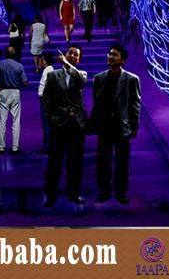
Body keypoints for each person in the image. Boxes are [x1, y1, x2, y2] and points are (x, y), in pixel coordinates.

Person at [88, 43, 141, 205]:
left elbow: (135, 105)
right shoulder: (99, 78)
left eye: (115, 54)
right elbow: (96, 104)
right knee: (102, 161)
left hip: (121, 126)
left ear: (122, 60)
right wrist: (93, 124)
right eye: (110, 54)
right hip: (105, 126)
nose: (110, 57)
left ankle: (121, 192)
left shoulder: (131, 79)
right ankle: (104, 191)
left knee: (122, 162)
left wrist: (133, 127)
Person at [42, 45, 87, 206]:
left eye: (76, 54)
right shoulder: (53, 75)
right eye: (70, 53)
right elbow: (46, 99)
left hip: (76, 125)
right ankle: (51, 196)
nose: (73, 55)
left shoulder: (81, 74)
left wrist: (66, 64)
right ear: (66, 54)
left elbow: (81, 80)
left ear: (79, 60)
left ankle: (74, 194)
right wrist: (52, 118)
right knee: (54, 161)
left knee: (75, 162)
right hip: (58, 124)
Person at [0, 46, 28, 154]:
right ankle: (15, 147)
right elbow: (25, 83)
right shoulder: (19, 66)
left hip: (3, 91)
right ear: (14, 54)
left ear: (6, 54)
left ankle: (1, 146)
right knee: (16, 121)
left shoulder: (0, 64)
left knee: (2, 121)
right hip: (15, 92)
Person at [37, 52, 55, 153]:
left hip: (45, 100)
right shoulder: (47, 70)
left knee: (46, 124)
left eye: (41, 59)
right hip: (44, 99)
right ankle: (47, 145)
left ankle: (47, 146)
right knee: (45, 124)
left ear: (45, 61)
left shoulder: (49, 70)